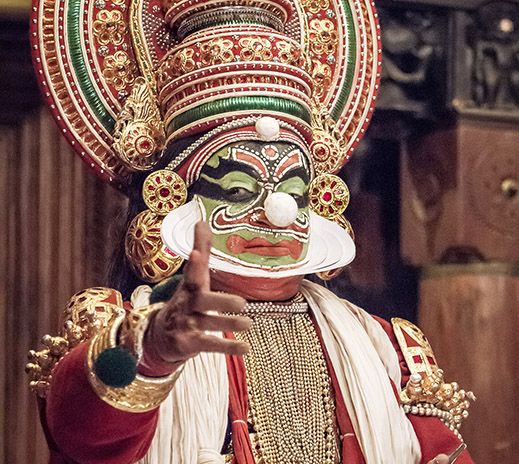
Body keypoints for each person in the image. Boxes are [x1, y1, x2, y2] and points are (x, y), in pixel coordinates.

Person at [26, 0, 474, 462]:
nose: (275, 213)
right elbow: (83, 435)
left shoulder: (387, 348)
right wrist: (153, 353)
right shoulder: (118, 328)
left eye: (293, 190)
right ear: (172, 197)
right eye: (239, 190)